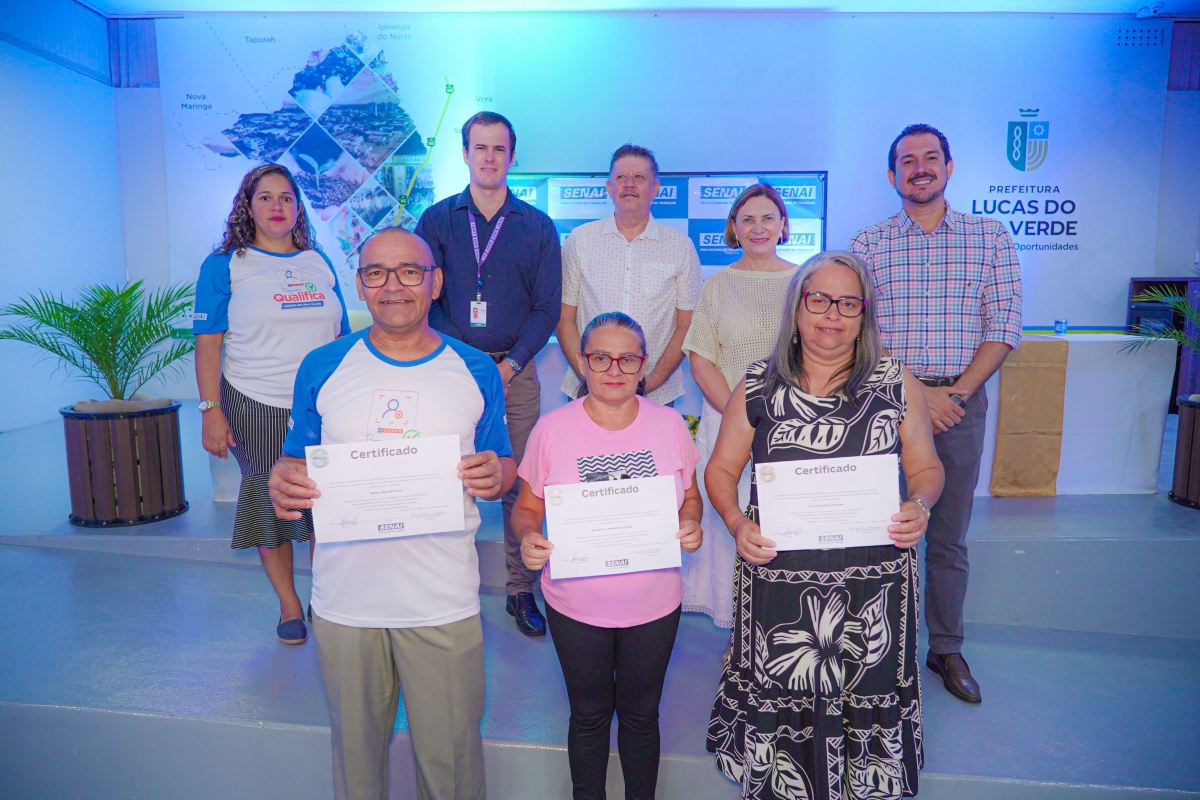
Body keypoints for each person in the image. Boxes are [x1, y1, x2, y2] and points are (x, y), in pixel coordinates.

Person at [267, 227, 515, 800]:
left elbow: (502, 463)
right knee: (356, 766)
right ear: (359, 285)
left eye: (410, 271)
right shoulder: (323, 365)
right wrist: (284, 482)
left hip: (442, 601)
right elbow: (294, 460)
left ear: (436, 282)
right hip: (346, 603)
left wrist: (496, 475)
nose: (393, 285)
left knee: (452, 769)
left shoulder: (476, 369)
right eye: (377, 273)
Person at [705, 251, 944, 800]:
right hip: (779, 584)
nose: (832, 314)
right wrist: (736, 522)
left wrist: (921, 505)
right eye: (819, 300)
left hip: (874, 585)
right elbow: (719, 470)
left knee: (868, 683)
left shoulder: (896, 382)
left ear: (864, 315)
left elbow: (927, 469)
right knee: (785, 685)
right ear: (797, 307)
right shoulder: (758, 383)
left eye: (848, 303)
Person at [849, 123, 1022, 704]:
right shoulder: (869, 244)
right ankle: (876, 650)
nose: (919, 168)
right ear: (891, 174)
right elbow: (858, 331)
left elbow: (1004, 325)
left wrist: (958, 395)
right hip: (884, 404)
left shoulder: (989, 237)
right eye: (907, 160)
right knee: (880, 530)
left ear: (948, 168)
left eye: (930, 158)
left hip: (962, 407)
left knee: (947, 537)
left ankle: (945, 647)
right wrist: (920, 394)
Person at [516, 312, 703, 800]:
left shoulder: (670, 425)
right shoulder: (551, 430)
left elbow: (691, 496)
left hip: (655, 604)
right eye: (601, 358)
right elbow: (527, 507)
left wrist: (690, 523)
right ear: (582, 363)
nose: (614, 370)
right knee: (589, 715)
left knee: (641, 716)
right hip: (575, 605)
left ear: (644, 365)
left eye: (627, 359)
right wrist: (529, 535)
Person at [415, 111, 562, 638]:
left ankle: (521, 590)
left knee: (519, 480)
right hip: (446, 369)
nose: (490, 157)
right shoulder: (437, 221)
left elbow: (547, 308)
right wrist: (470, 361)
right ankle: (438, 584)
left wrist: (511, 363)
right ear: (465, 154)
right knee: (444, 476)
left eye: (499, 148)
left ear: (512, 156)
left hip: (515, 373)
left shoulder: (538, 227)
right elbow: (425, 297)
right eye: (480, 147)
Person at [193, 163, 350, 646]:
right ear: (248, 205)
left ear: (298, 207)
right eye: (265, 197)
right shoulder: (225, 265)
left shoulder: (318, 261)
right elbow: (208, 343)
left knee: (328, 505)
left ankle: (325, 597)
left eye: (286, 197)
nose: (277, 206)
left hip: (323, 406)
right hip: (255, 402)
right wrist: (210, 409)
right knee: (272, 506)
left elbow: (341, 336)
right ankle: (289, 605)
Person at [681, 183, 798, 628]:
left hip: (793, 427)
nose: (758, 227)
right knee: (733, 525)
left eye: (768, 218)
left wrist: (777, 417)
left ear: (783, 226)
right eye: (747, 219)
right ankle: (739, 627)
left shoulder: (806, 282)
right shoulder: (716, 285)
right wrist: (743, 414)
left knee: (785, 525)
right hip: (728, 424)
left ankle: (784, 622)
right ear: (734, 227)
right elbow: (701, 359)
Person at [557, 144, 701, 407]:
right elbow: (564, 317)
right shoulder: (580, 240)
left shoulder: (680, 246)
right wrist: (589, 375)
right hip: (586, 389)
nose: (629, 184)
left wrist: (651, 382)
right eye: (621, 177)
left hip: (656, 394)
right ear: (609, 187)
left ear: (655, 188)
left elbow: (686, 324)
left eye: (639, 177)